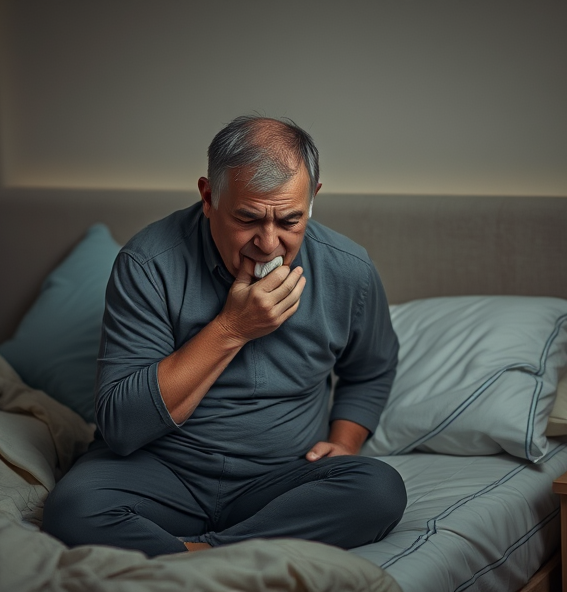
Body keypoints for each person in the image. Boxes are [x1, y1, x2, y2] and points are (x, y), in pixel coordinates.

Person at [42, 115, 406, 556]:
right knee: (73, 506)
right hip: (162, 472)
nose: (269, 243)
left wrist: (345, 442)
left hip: (279, 483)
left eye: (290, 221)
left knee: (380, 489)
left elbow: (372, 367)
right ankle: (230, 558)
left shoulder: (348, 269)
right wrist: (231, 329)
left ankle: (198, 555)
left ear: (313, 201)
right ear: (209, 197)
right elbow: (120, 427)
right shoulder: (149, 263)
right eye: (248, 219)